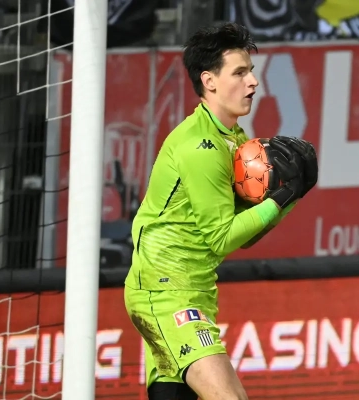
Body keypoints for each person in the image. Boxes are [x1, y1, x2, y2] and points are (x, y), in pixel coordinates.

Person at [123, 21, 318, 400]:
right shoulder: (201, 148)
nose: (253, 82)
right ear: (209, 81)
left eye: (251, 71)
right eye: (240, 73)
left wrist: (292, 197)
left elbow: (246, 235)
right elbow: (221, 238)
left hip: (192, 292)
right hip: (165, 293)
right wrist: (281, 198)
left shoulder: (235, 140)